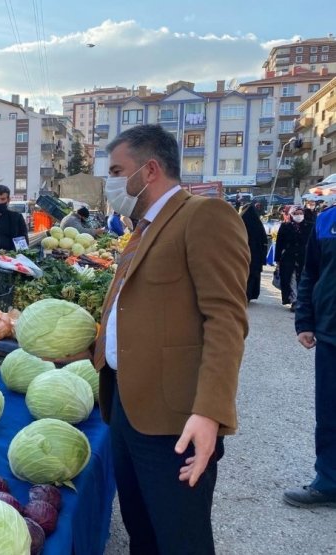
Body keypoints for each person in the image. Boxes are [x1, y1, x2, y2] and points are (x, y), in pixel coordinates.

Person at [92, 124, 250, 553]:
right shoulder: (143, 227)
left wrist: (209, 412)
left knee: (180, 537)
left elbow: (226, 319)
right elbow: (131, 310)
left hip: (174, 419)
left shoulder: (204, 216)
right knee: (141, 530)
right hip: (126, 405)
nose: (111, 182)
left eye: (117, 170)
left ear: (150, 169)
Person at [284, 201, 336, 508]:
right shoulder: (327, 219)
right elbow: (311, 272)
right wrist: (304, 320)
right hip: (331, 334)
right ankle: (328, 481)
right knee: (329, 413)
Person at [275, 206, 313, 312]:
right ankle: (294, 300)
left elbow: (313, 243)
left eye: (301, 213)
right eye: (296, 213)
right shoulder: (285, 226)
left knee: (302, 279)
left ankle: (303, 301)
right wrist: (277, 259)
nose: (299, 215)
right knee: (290, 279)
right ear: (291, 215)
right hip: (288, 257)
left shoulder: (309, 226)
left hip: (304, 256)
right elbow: (279, 244)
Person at [240, 203, 269, 302]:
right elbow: (264, 240)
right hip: (256, 255)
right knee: (252, 275)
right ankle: (248, 295)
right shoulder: (257, 223)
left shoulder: (240, 221)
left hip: (242, 254)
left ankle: (242, 295)